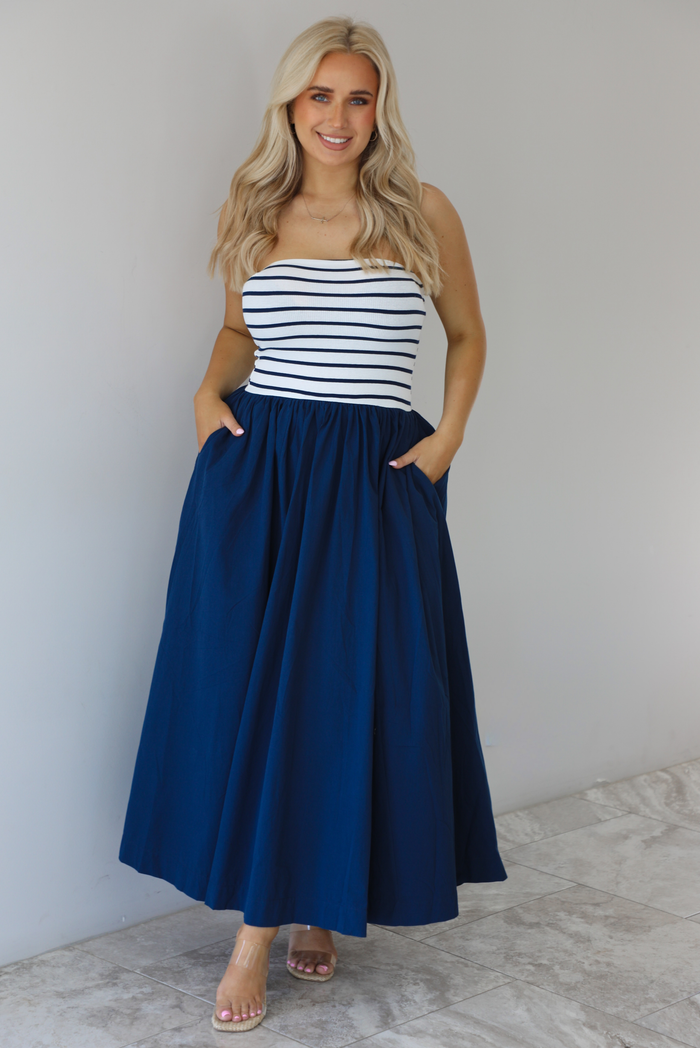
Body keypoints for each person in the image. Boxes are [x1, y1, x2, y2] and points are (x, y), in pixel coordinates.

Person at [119, 15, 506, 1034]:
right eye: (320, 95)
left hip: (376, 477)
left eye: (359, 96)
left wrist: (446, 441)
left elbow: (466, 335)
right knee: (253, 690)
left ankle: (286, 915)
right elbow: (241, 329)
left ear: (382, 107)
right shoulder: (256, 209)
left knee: (343, 697)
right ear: (291, 105)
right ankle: (284, 911)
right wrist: (207, 396)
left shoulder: (422, 211)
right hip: (262, 478)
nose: (339, 116)